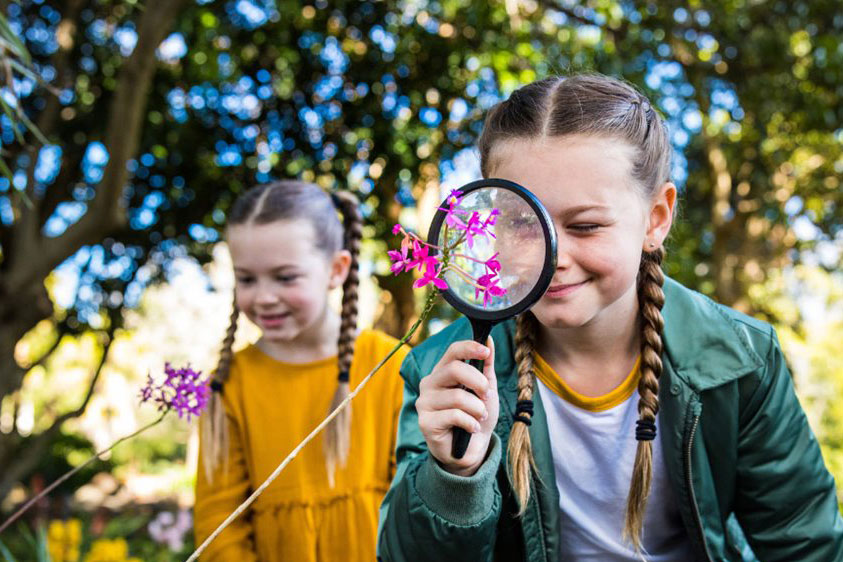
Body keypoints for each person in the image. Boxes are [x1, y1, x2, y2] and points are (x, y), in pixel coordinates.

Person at [378, 74, 843, 561]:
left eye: (586, 226)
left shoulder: (742, 358)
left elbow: (804, 542)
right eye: (520, 222)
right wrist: (454, 476)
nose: (551, 255)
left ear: (656, 218)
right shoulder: (441, 370)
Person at [194, 181, 409, 561]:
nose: (263, 296)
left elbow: (418, 503)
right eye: (247, 279)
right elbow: (219, 526)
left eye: (285, 277)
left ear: (336, 269)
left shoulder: (390, 365)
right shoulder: (231, 382)